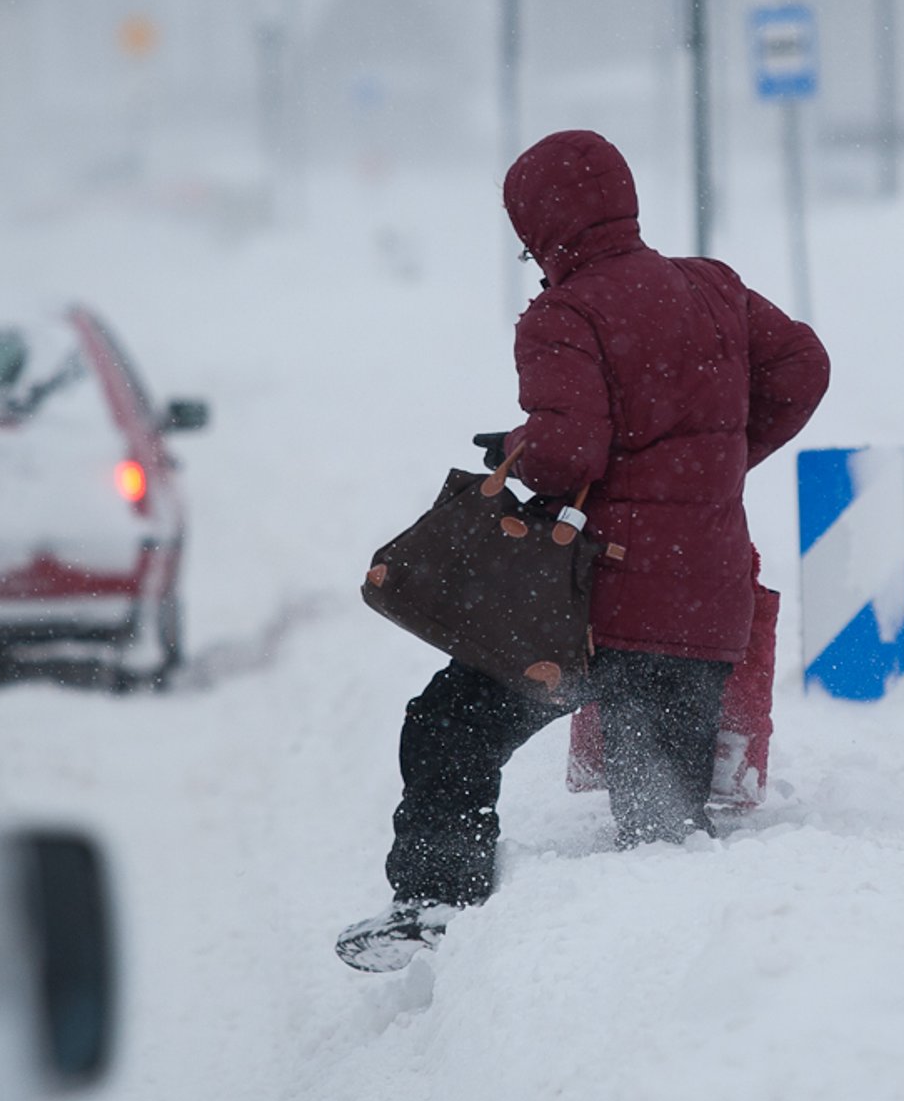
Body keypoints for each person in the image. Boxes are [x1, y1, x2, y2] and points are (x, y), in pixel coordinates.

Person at [339, 130, 829, 971]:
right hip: (703, 608)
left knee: (451, 727)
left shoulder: (564, 316)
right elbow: (803, 366)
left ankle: (435, 904)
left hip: (593, 612)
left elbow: (568, 455)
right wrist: (715, 461)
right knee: (662, 829)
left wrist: (519, 448)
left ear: (542, 229)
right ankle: (689, 995)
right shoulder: (711, 286)